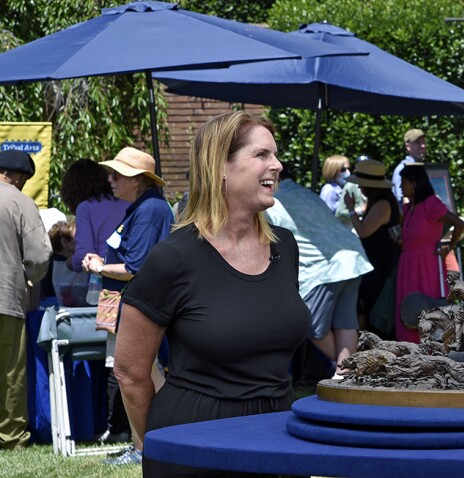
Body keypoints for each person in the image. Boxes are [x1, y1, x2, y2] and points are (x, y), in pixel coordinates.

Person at [113, 111, 310, 477]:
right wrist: (160, 443)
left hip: (281, 437)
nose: (277, 165)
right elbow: (129, 372)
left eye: (276, 155)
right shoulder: (173, 258)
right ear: (220, 165)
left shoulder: (285, 247)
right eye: (262, 155)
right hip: (195, 444)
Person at [81, 147, 174, 460]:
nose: (110, 179)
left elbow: (135, 267)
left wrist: (98, 267)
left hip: (136, 306)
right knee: (135, 373)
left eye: (117, 174)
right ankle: (143, 443)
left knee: (139, 374)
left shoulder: (149, 210)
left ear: (137, 179)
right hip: (124, 304)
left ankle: (150, 445)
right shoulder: (142, 207)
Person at [266, 177, 372, 379]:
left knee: (310, 323)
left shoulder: (271, 200)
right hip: (352, 256)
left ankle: (347, 368)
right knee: (346, 321)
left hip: (324, 266)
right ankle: (346, 373)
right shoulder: (304, 192)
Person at [0, 150, 51, 450]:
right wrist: (30, 276)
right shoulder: (20, 202)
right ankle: (10, 437)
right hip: (5, 295)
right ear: (17, 177)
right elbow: (39, 254)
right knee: (10, 371)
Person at [396, 164, 464, 343]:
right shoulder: (408, 208)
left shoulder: (430, 204)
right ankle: (408, 348)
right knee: (406, 307)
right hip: (407, 265)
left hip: (426, 266)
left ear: (415, 184)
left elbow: (458, 223)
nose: (400, 186)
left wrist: (448, 246)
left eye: (403, 182)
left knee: (425, 308)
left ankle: (429, 348)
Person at [343, 159, 401, 339]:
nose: (360, 188)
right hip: (377, 263)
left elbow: (363, 231)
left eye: (362, 184)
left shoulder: (382, 204)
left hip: (380, 266)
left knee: (375, 309)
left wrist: (351, 209)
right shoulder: (380, 202)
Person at [60, 159, 130, 279]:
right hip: (130, 272)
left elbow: (84, 255)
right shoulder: (127, 201)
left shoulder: (85, 208)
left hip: (105, 279)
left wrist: (69, 262)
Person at [391, 128, 427, 206]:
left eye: (423, 141)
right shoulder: (402, 169)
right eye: (418, 142)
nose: (423, 146)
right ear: (408, 146)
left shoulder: (424, 168)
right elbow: (404, 201)